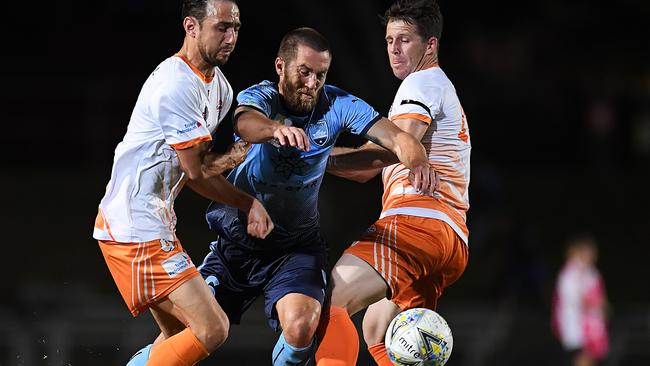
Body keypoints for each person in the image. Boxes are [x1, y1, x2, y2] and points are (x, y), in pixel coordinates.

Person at [196, 27, 435, 366]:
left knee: (302, 325)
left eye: (320, 75)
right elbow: (246, 121)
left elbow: (397, 139)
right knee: (189, 332)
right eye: (304, 72)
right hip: (236, 242)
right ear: (281, 67)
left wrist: (419, 162)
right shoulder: (262, 97)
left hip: (295, 247)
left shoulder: (337, 104)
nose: (312, 83)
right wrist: (275, 130)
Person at [92, 1, 274, 365]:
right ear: (191, 26)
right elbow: (195, 175)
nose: (231, 37)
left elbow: (201, 165)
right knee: (212, 328)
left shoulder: (220, 88)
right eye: (221, 27)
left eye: (236, 28)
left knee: (178, 339)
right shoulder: (175, 83)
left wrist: (233, 157)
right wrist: (249, 203)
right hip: (134, 227)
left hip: (154, 221)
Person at [314, 1, 471, 365]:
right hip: (449, 238)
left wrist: (307, 155)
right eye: (388, 41)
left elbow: (390, 153)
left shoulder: (423, 81)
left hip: (418, 224)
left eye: (404, 40)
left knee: (330, 302)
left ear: (430, 46)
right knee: (377, 331)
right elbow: (366, 165)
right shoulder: (437, 87)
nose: (394, 49)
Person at [551, 235, 609, 366]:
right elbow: (577, 301)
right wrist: (596, 305)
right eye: (588, 251)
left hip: (593, 328)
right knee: (582, 360)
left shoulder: (592, 273)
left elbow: (601, 300)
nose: (591, 255)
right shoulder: (569, 274)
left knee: (590, 361)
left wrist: (603, 308)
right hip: (576, 330)